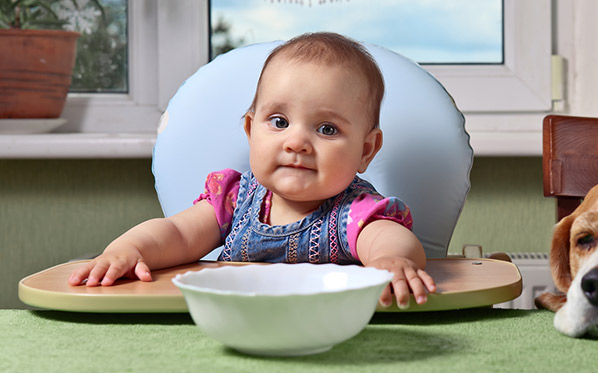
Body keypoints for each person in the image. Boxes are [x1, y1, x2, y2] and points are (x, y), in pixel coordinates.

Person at [68, 32, 436, 310]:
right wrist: (129, 249)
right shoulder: (233, 199)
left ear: (365, 150)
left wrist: (393, 261)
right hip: (235, 321)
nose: (296, 143)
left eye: (327, 129)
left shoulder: (353, 212)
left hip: (326, 326)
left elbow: (386, 238)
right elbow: (177, 234)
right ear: (249, 130)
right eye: (279, 121)